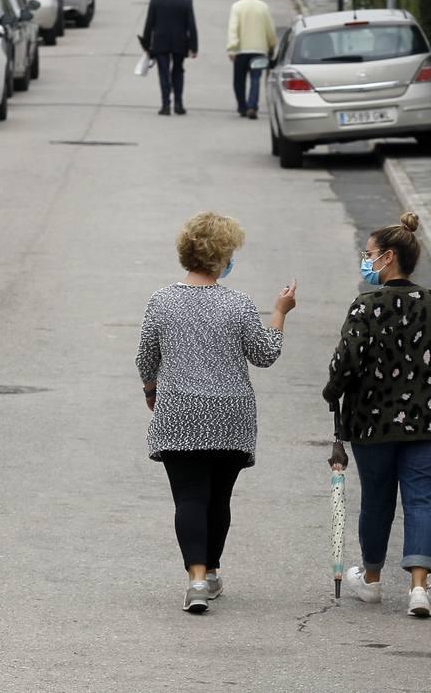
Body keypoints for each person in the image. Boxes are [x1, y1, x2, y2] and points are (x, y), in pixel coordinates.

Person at [135, 211, 297, 614]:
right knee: (219, 498)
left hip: (179, 412)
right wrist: (280, 311)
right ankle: (214, 570)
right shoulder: (239, 304)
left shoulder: (161, 301)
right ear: (223, 256)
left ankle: (196, 579)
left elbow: (145, 357)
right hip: (231, 414)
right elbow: (265, 354)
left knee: (189, 497)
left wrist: (151, 389)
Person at [322, 212, 431, 619]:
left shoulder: (366, 306)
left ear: (387, 257)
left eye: (368, 254)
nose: (364, 260)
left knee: (377, 499)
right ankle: (419, 589)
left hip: (374, 422)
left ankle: (370, 580)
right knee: (421, 499)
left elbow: (347, 361)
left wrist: (332, 391)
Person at [141, 0, 198, 115]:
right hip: (180, 42)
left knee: (163, 73)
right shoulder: (186, 1)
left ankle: (165, 105)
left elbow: (149, 23)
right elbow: (191, 26)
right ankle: (178, 104)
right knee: (178, 72)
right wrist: (193, 46)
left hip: (161, 42)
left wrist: (146, 45)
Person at [226, 0, 277, 119]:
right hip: (259, 50)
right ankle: (252, 105)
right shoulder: (263, 7)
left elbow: (233, 28)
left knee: (239, 80)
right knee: (255, 79)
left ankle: (242, 106)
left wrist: (232, 48)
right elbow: (270, 29)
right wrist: (272, 44)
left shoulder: (237, 6)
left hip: (241, 50)